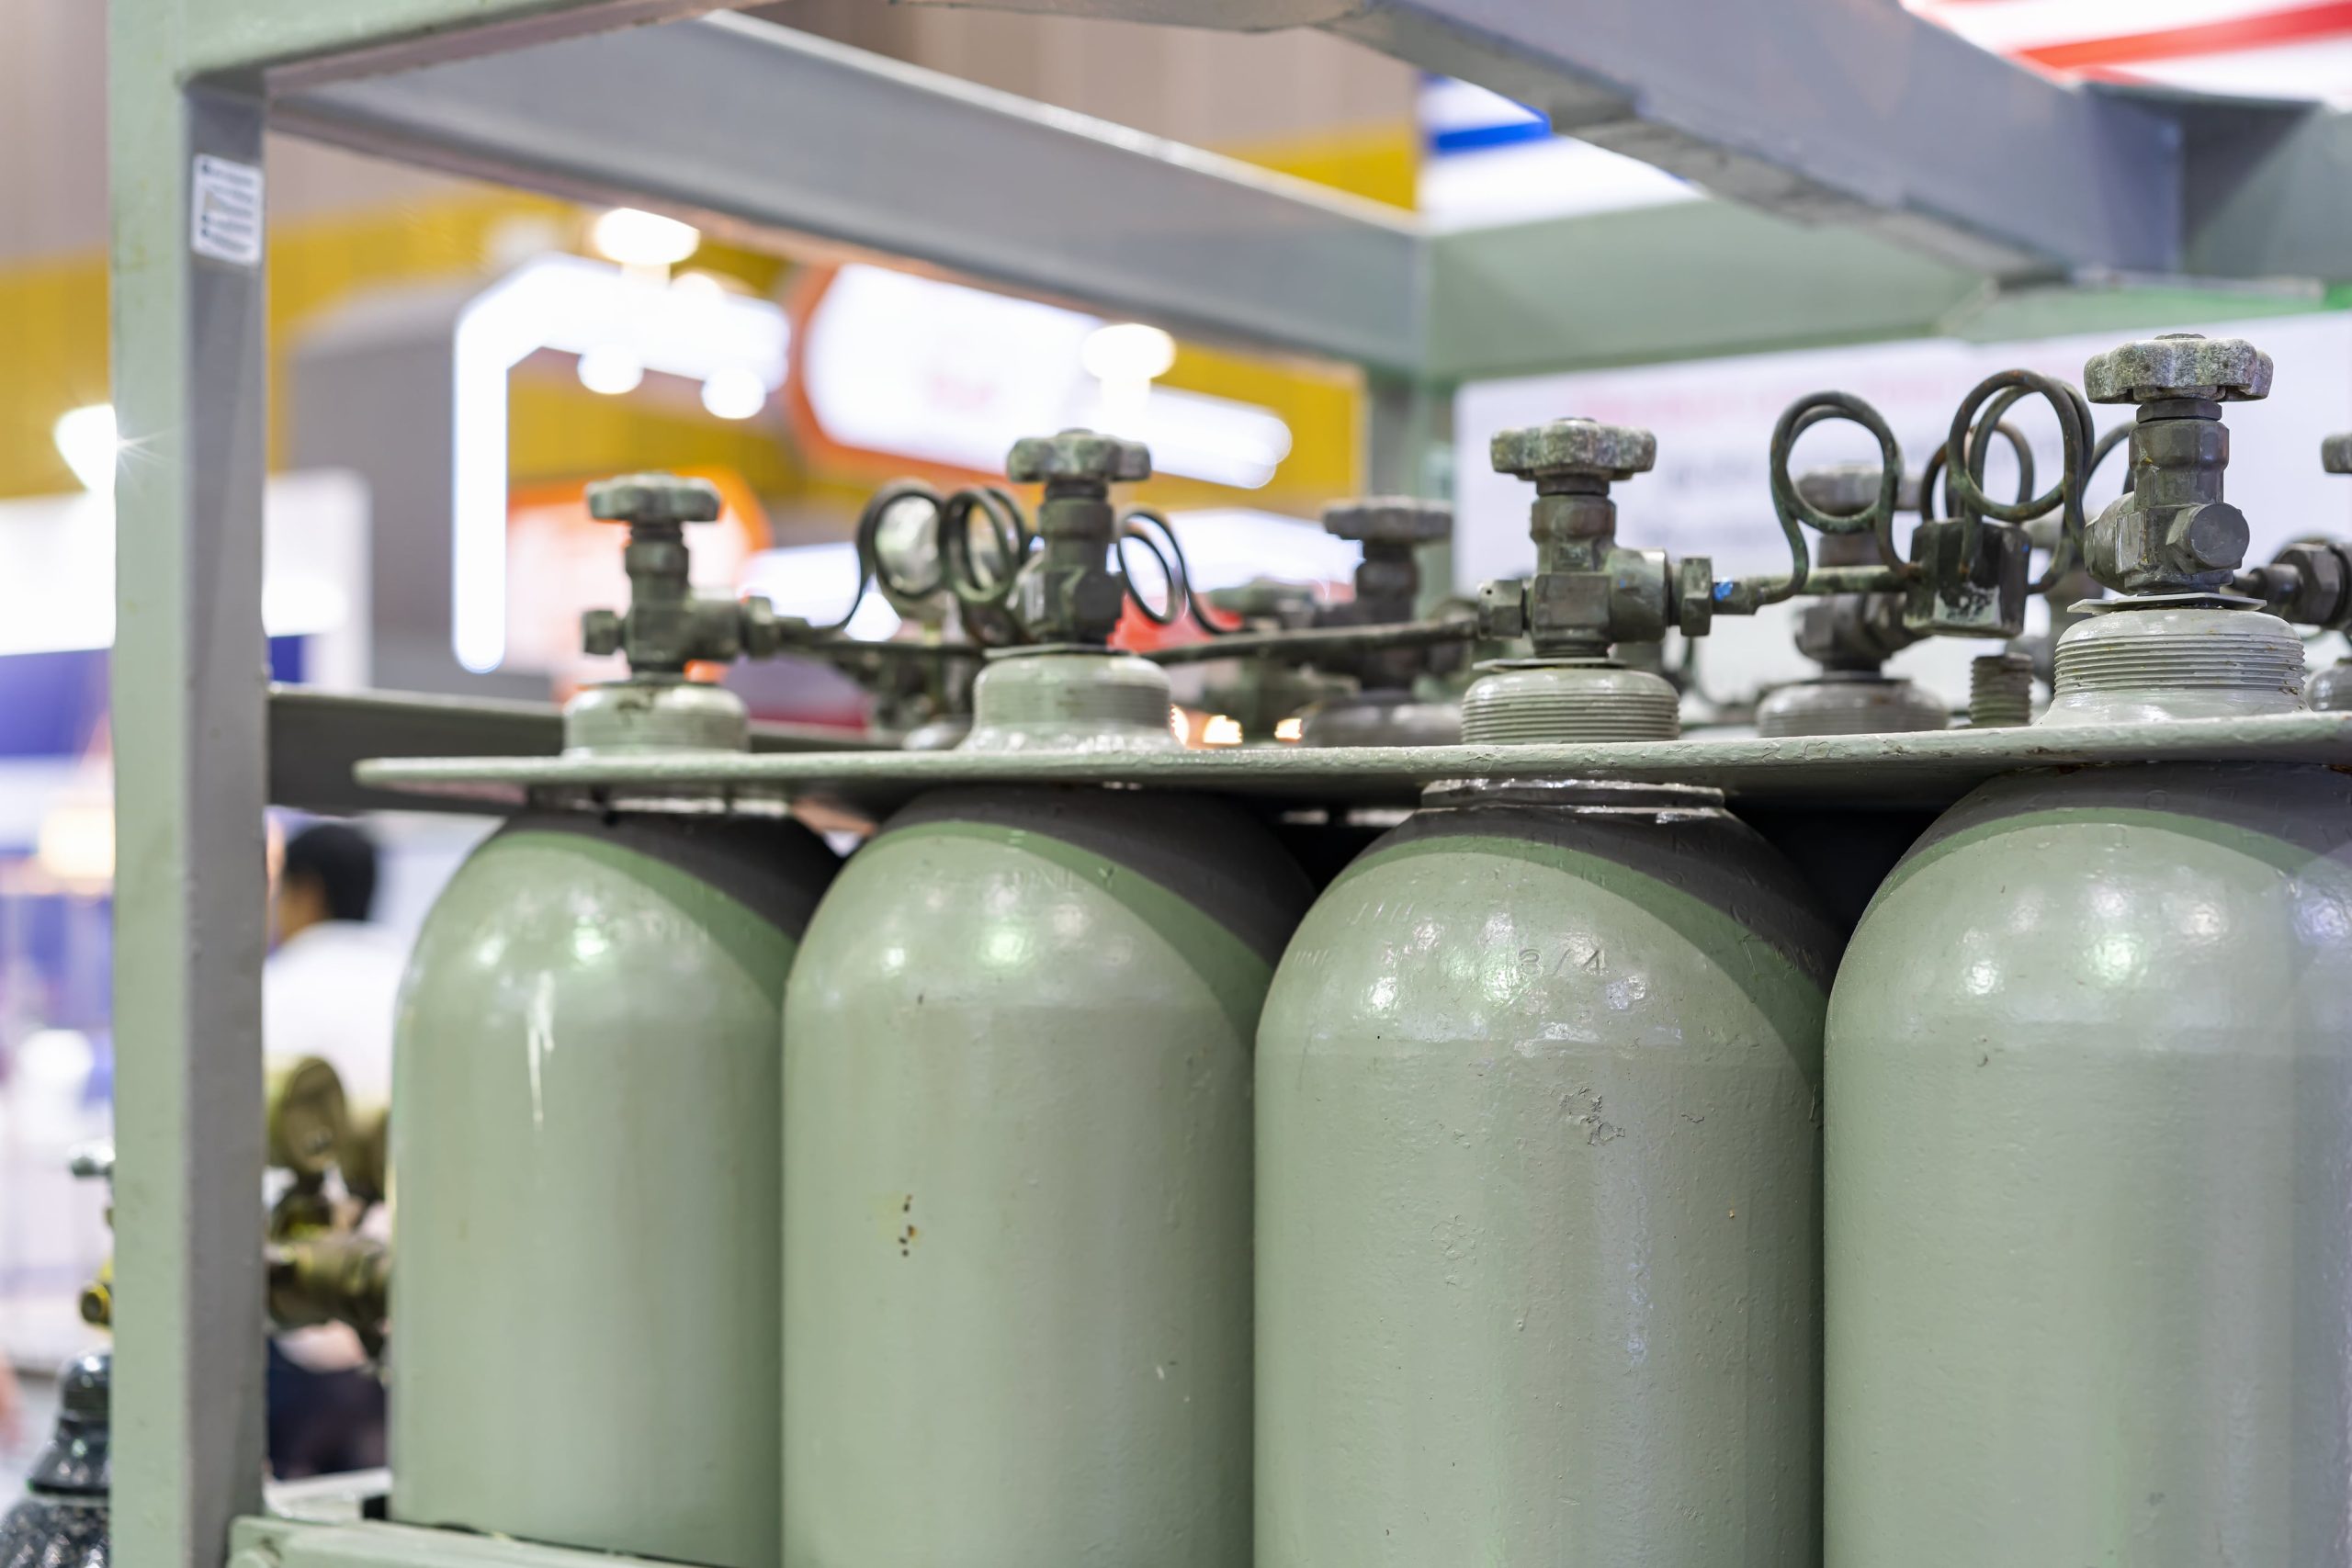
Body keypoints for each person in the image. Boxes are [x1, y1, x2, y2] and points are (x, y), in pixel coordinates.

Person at [263, 819, 402, 1478]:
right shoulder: (418, 985)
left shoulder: (274, 992)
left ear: (304, 892)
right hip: (409, 1307)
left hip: (296, 1321)